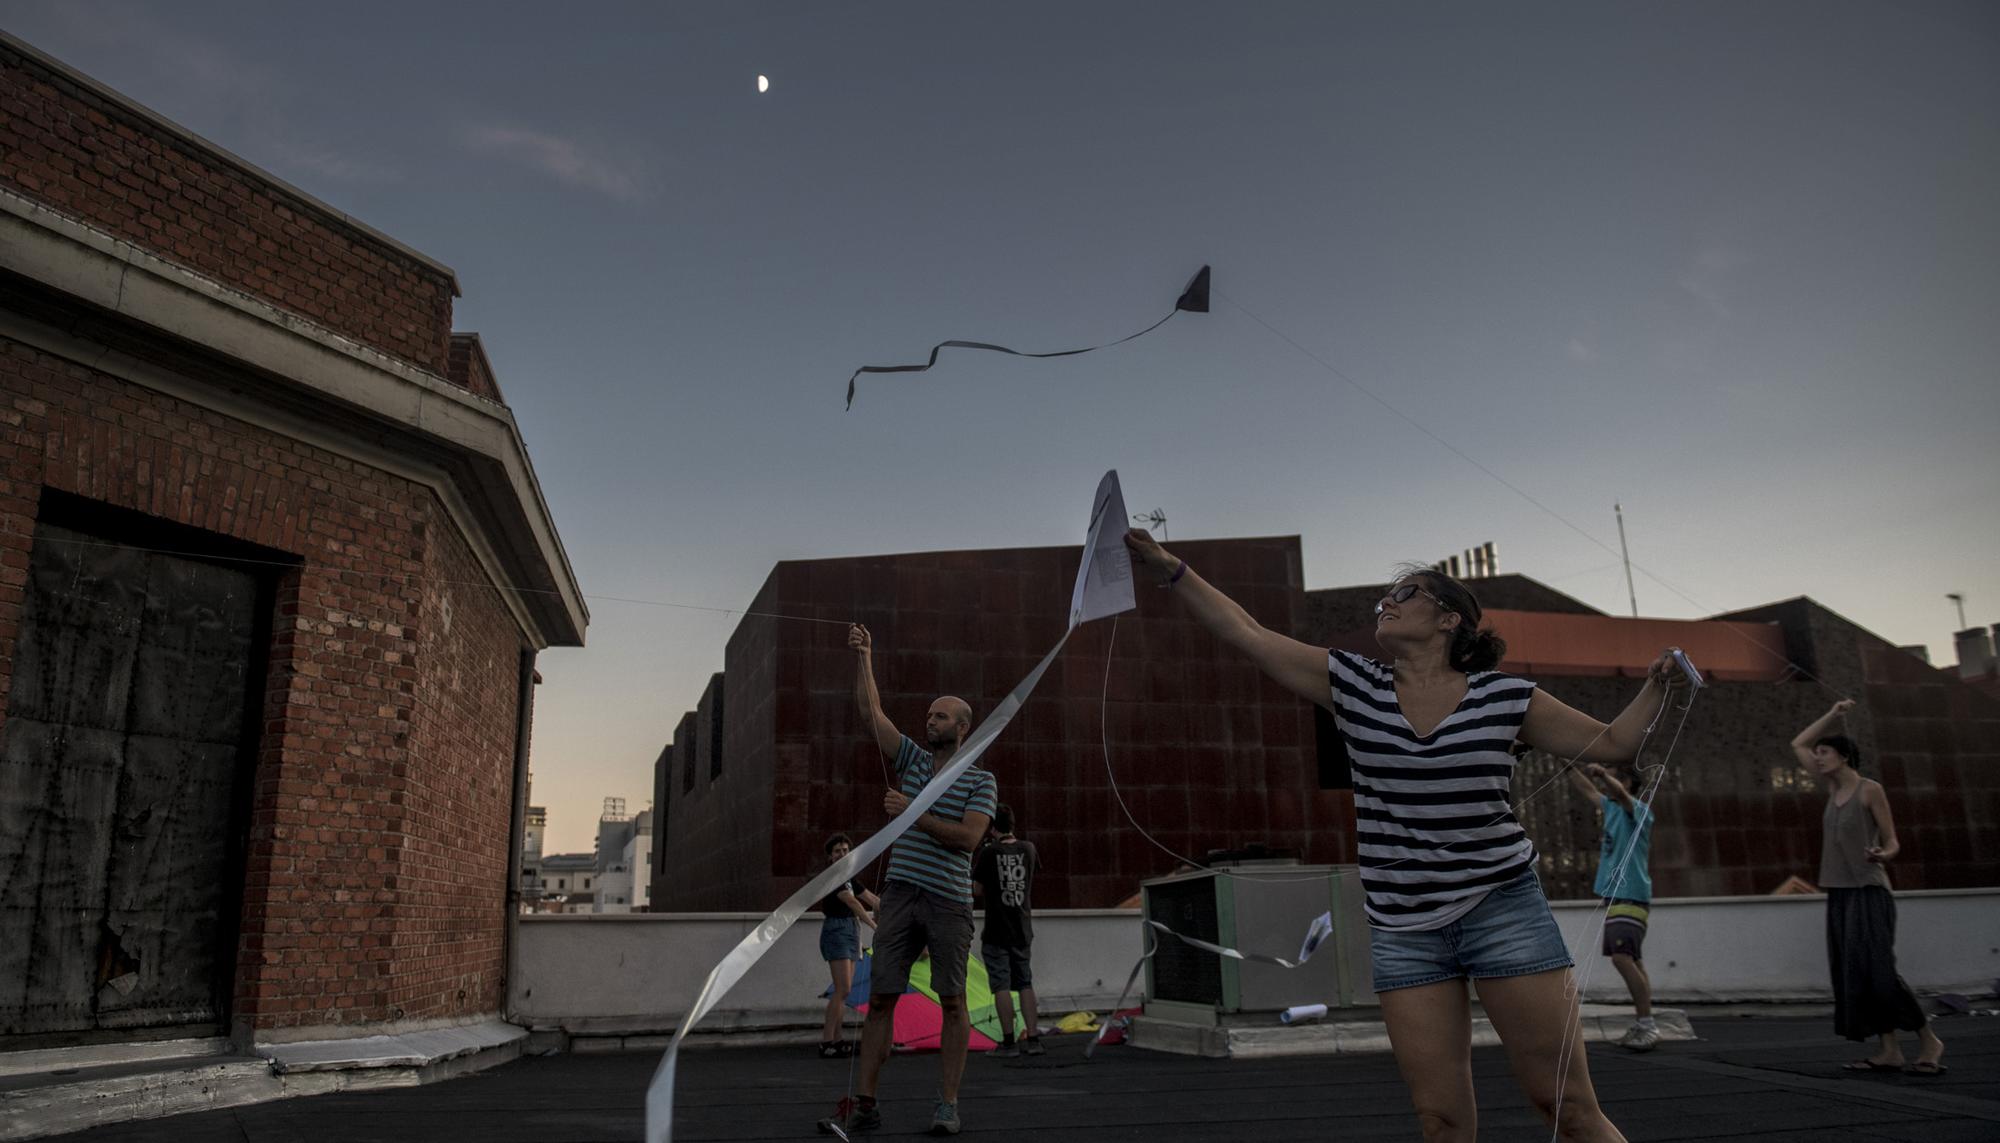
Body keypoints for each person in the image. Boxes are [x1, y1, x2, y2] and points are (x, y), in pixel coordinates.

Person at [1125, 531, 1690, 1143]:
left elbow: (1614, 745)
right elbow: (1247, 632)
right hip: (1403, 930)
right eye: (1383, 599)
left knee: (1567, 1109)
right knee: (1440, 1122)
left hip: (1503, 911)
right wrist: (1172, 570)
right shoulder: (1353, 684)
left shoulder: (1507, 696)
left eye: (1403, 593)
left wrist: (1656, 683)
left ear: (1449, 618)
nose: (1385, 604)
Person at [835, 623, 997, 1137]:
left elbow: (969, 839)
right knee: (881, 997)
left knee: (952, 1000)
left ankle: (947, 1105)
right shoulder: (910, 759)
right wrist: (865, 656)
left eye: (940, 715)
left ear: (963, 727)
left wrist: (913, 814)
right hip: (901, 895)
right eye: (928, 713)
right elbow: (871, 714)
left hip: (948, 901)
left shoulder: (980, 779)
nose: (930, 720)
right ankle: (865, 1102)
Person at [1791, 700, 1945, 1075]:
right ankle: (1889, 1049)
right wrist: (1832, 712)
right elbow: (1798, 744)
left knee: (1879, 971)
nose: (1819, 758)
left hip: (1870, 891)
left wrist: (1882, 855)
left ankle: (1929, 1039)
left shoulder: (1869, 790)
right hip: (1840, 893)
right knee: (1856, 973)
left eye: (1825, 753)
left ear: (1844, 757)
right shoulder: (1830, 788)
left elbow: (1894, 842)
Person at [1564, 762, 1659, 1051]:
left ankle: (1647, 1024)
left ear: (1627, 783)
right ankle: (1645, 1022)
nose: (1607, 784)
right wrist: (1567, 767)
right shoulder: (1611, 809)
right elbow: (1588, 791)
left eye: (1615, 778)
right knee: (1633, 960)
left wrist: (1604, 774)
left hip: (1630, 895)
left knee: (1621, 958)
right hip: (1620, 898)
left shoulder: (1639, 811)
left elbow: (1620, 794)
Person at [972, 803, 1041, 1057]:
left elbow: (977, 890)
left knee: (1000, 984)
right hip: (1022, 927)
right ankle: (1034, 1040)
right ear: (1012, 824)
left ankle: (1009, 1042)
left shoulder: (989, 853)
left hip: (997, 929)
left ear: (992, 828)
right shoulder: (1029, 849)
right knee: (1025, 981)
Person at [817, 833, 880, 1058]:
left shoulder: (849, 877)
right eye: (837, 851)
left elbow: (871, 898)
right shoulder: (834, 876)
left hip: (851, 931)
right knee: (842, 989)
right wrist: (874, 925)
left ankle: (837, 1038)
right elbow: (853, 902)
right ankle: (826, 1041)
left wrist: (892, 910)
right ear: (830, 857)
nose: (842, 854)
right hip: (837, 931)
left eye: (845, 850)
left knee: (844, 990)